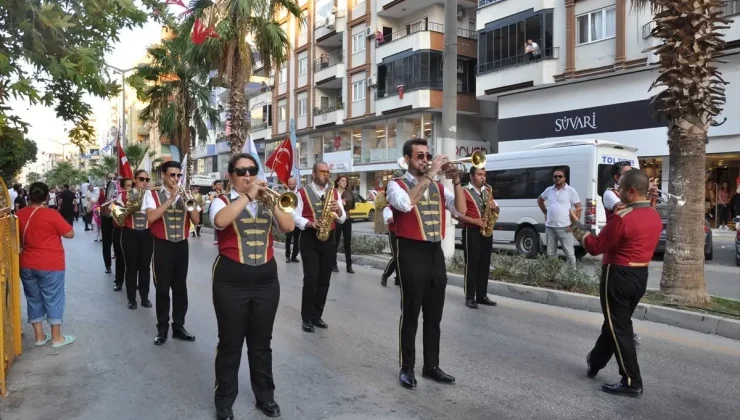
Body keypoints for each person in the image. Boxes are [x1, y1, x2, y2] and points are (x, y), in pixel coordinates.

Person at [209, 154, 295, 420]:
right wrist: (247, 197)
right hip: (230, 279)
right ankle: (224, 400)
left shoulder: (267, 200)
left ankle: (265, 397)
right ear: (231, 175)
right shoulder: (221, 201)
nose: (247, 175)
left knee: (262, 343)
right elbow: (220, 222)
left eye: (252, 171)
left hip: (266, 279)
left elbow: (289, 226)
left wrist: (271, 200)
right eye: (241, 171)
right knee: (230, 343)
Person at [570, 169, 661, 398]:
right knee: (615, 324)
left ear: (631, 191)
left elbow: (595, 247)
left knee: (619, 328)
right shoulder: (654, 215)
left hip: (618, 275)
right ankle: (596, 361)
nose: (617, 193)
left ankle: (632, 380)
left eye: (620, 189)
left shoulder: (623, 217)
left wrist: (576, 228)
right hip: (640, 276)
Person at [387, 139, 466, 389]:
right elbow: (405, 204)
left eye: (427, 155)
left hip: (434, 252)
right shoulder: (395, 184)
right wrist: (432, 174)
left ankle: (431, 365)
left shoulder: (439, 188)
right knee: (411, 313)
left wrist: (456, 180)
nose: (425, 159)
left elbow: (461, 212)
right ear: (408, 159)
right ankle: (407, 367)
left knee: (434, 315)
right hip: (411, 251)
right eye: (419, 155)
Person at [142, 161, 200, 346]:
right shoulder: (152, 195)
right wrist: (169, 199)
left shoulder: (186, 195)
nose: (176, 179)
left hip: (181, 244)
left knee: (180, 288)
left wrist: (187, 201)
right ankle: (162, 328)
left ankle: (179, 327)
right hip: (162, 245)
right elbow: (151, 217)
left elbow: (197, 220)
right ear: (164, 176)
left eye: (178, 175)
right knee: (162, 288)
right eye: (172, 175)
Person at [17, 182, 75, 348]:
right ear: (46, 197)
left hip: (27, 263)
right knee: (53, 298)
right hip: (50, 264)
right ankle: (57, 338)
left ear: (29, 196)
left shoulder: (19, 215)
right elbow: (69, 233)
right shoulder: (51, 214)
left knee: (33, 299)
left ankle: (40, 336)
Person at [291, 162, 346, 333]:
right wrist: (308, 223)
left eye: (328, 172)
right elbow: (293, 214)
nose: (326, 175)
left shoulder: (334, 192)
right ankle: (306, 318)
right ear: (313, 174)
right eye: (322, 172)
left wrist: (339, 211)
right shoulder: (302, 192)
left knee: (324, 280)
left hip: (329, 238)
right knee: (311, 279)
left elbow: (343, 219)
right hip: (309, 238)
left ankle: (317, 315)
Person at [454, 166, 499, 309]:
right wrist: (474, 221)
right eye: (479, 175)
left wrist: (494, 208)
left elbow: (498, 209)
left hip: (486, 231)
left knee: (484, 264)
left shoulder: (487, 191)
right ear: (471, 176)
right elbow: (457, 214)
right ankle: (469, 296)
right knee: (472, 265)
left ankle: (481, 295)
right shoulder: (464, 191)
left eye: (484, 175)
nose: (483, 178)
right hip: (471, 231)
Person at [119, 171, 153, 310]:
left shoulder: (151, 195)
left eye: (147, 179)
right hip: (130, 233)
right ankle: (132, 299)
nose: (144, 181)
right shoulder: (124, 195)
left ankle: (144, 297)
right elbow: (117, 213)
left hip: (147, 233)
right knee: (131, 267)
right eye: (141, 179)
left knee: (145, 267)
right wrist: (128, 206)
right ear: (134, 180)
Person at [537, 168, 582, 265]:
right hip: (550, 227)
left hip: (565, 227)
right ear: (553, 178)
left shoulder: (570, 191)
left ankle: (572, 276)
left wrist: (574, 225)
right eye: (555, 176)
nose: (557, 178)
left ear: (564, 178)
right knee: (551, 253)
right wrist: (545, 212)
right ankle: (552, 275)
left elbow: (578, 208)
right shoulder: (549, 190)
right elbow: (540, 200)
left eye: (560, 176)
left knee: (569, 254)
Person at [111, 178, 131, 292]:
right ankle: (119, 281)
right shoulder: (117, 199)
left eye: (131, 185)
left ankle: (134, 282)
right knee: (120, 258)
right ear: (122, 187)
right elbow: (117, 220)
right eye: (128, 186)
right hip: (120, 231)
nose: (130, 188)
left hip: (132, 231)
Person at [333, 175, 355, 274]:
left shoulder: (348, 192)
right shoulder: (334, 192)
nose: (344, 182)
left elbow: (353, 206)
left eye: (346, 181)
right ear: (337, 182)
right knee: (335, 242)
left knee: (347, 243)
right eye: (342, 181)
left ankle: (349, 266)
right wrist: (340, 204)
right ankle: (334, 264)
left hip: (347, 219)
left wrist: (348, 204)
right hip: (337, 219)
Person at [100, 173, 118, 274]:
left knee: (117, 243)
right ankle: (108, 265)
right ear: (106, 178)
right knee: (106, 243)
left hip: (116, 217)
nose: (112, 179)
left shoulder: (118, 187)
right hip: (106, 217)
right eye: (110, 178)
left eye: (114, 178)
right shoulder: (100, 190)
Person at [380, 204, 399, 287]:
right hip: (394, 234)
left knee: (402, 257)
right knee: (396, 257)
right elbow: (389, 220)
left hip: (403, 235)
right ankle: (385, 275)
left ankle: (398, 279)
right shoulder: (388, 208)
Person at [284, 177, 301, 263]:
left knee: (297, 239)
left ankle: (294, 256)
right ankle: (287, 256)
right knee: (288, 239)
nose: (291, 186)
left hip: (298, 219)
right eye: (289, 184)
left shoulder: (299, 193)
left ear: (296, 184)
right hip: (289, 219)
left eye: (292, 184)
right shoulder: (285, 193)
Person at [209, 180, 225, 245]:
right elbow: (211, 199)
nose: (220, 185)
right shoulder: (213, 193)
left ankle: (223, 238)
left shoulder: (223, 192)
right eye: (218, 184)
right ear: (215, 186)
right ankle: (216, 239)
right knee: (216, 223)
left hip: (223, 209)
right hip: (215, 209)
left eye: (221, 184)